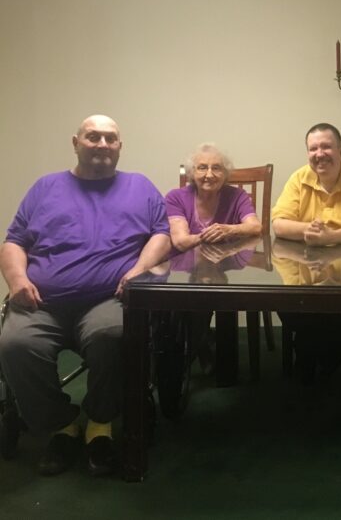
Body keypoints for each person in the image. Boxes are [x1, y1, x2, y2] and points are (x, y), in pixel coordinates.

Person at [0, 115, 170, 477]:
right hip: (41, 302)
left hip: (108, 300)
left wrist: (139, 269)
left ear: (120, 147)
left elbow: (162, 234)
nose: (103, 145)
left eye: (111, 138)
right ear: (75, 142)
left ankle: (100, 425)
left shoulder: (140, 186)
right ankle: (62, 425)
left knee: (114, 335)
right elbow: (14, 241)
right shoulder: (45, 188)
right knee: (15, 345)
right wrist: (16, 281)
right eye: (93, 137)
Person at [271, 123, 341, 383]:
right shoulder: (298, 178)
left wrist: (331, 237)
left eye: (326, 146)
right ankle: (317, 356)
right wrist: (307, 229)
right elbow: (278, 224)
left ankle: (316, 357)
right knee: (287, 304)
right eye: (313, 148)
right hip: (303, 267)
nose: (320, 153)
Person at [166, 143, 262, 253]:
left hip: (228, 263)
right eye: (202, 168)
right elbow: (181, 242)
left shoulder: (238, 196)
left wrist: (230, 230)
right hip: (187, 265)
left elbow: (255, 227)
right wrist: (213, 235)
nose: (209, 175)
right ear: (192, 173)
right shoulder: (175, 198)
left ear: (225, 173)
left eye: (216, 168)